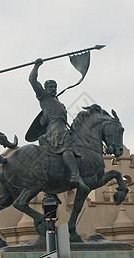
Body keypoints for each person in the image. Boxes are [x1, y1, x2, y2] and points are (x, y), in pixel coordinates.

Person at [29, 58, 89, 193]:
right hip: (55, 129)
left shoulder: (59, 104)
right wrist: (36, 66)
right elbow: (32, 80)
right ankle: (75, 174)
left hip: (62, 126)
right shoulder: (44, 97)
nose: (52, 89)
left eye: (54, 87)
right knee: (66, 143)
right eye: (50, 87)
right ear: (45, 89)